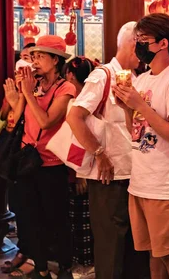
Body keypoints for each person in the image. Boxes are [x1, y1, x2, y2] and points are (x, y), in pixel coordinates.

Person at [112, 14, 169, 279]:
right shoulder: (143, 79)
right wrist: (127, 108)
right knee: (152, 254)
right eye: (136, 40)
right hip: (141, 181)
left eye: (143, 40)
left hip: (164, 185)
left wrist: (139, 106)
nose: (138, 46)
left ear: (162, 44)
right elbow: (134, 131)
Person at [67, 22, 149, 279]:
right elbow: (75, 117)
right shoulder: (103, 76)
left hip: (136, 174)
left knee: (135, 243)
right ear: (133, 44)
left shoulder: (138, 79)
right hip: (108, 175)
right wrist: (100, 153)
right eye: (144, 46)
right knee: (110, 243)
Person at [3, 35, 76, 279]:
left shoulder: (66, 89)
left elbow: (47, 120)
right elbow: (20, 120)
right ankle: (41, 267)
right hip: (27, 161)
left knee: (55, 219)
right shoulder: (33, 85)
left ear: (55, 60)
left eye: (40, 56)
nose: (34, 62)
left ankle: (64, 265)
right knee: (30, 218)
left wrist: (28, 95)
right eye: (32, 56)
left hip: (51, 164)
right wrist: (16, 100)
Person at [64, 57, 97, 274]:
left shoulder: (77, 103)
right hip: (89, 166)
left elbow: (75, 142)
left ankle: (84, 263)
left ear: (70, 75)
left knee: (81, 218)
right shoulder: (93, 98)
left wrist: (78, 173)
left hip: (79, 167)